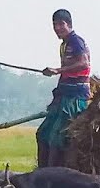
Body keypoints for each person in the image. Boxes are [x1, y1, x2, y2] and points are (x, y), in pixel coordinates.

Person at [36, 9, 91, 168]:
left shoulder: (76, 41)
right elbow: (67, 71)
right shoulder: (64, 45)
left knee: (56, 138)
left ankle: (51, 175)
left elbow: (84, 63)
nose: (57, 28)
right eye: (54, 25)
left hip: (75, 98)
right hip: (64, 96)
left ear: (68, 24)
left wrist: (57, 70)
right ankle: (41, 171)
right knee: (42, 134)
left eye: (61, 24)